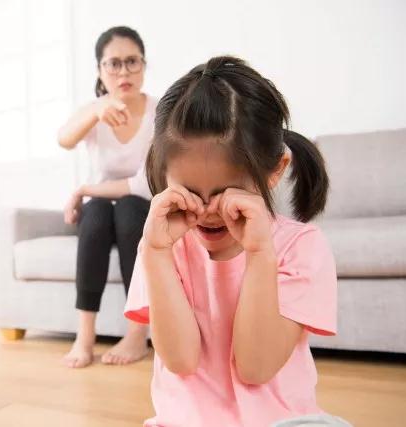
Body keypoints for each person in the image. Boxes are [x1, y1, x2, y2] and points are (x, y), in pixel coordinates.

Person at [125, 56, 341, 426]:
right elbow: (180, 361)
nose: (208, 211)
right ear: (163, 173)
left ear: (275, 171)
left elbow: (256, 367)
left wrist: (260, 253)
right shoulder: (160, 248)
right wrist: (157, 254)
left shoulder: (301, 246)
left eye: (226, 192)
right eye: (190, 192)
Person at [58, 26, 156, 368]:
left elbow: (145, 184)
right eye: (113, 64)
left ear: (144, 65)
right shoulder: (95, 110)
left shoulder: (161, 112)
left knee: (128, 209)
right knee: (97, 213)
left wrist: (83, 189)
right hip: (99, 213)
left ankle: (136, 335)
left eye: (132, 62)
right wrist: (96, 111)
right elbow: (64, 139)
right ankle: (84, 336)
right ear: (100, 70)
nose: (123, 72)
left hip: (138, 210)